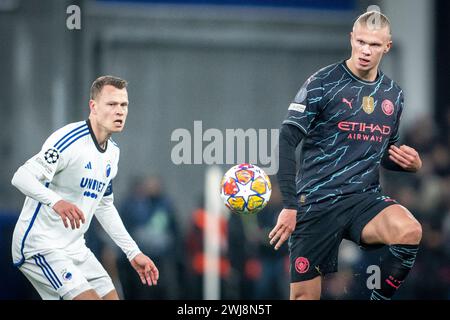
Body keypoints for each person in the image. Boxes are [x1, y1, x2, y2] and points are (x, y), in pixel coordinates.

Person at [269, 10, 423, 300]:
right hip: (316, 201)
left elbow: (383, 150)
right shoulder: (322, 83)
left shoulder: (393, 94)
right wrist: (290, 204)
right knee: (303, 297)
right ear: (351, 39)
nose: (366, 50)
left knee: (410, 231)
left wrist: (409, 163)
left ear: (387, 47)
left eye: (375, 45)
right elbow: (287, 140)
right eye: (361, 42)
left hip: (363, 199)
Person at [10, 75, 159, 300]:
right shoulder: (69, 140)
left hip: (75, 249)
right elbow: (21, 177)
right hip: (40, 245)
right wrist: (56, 201)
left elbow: (104, 206)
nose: (119, 111)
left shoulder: (112, 153)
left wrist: (133, 252)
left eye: (124, 105)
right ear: (93, 106)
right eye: (111, 104)